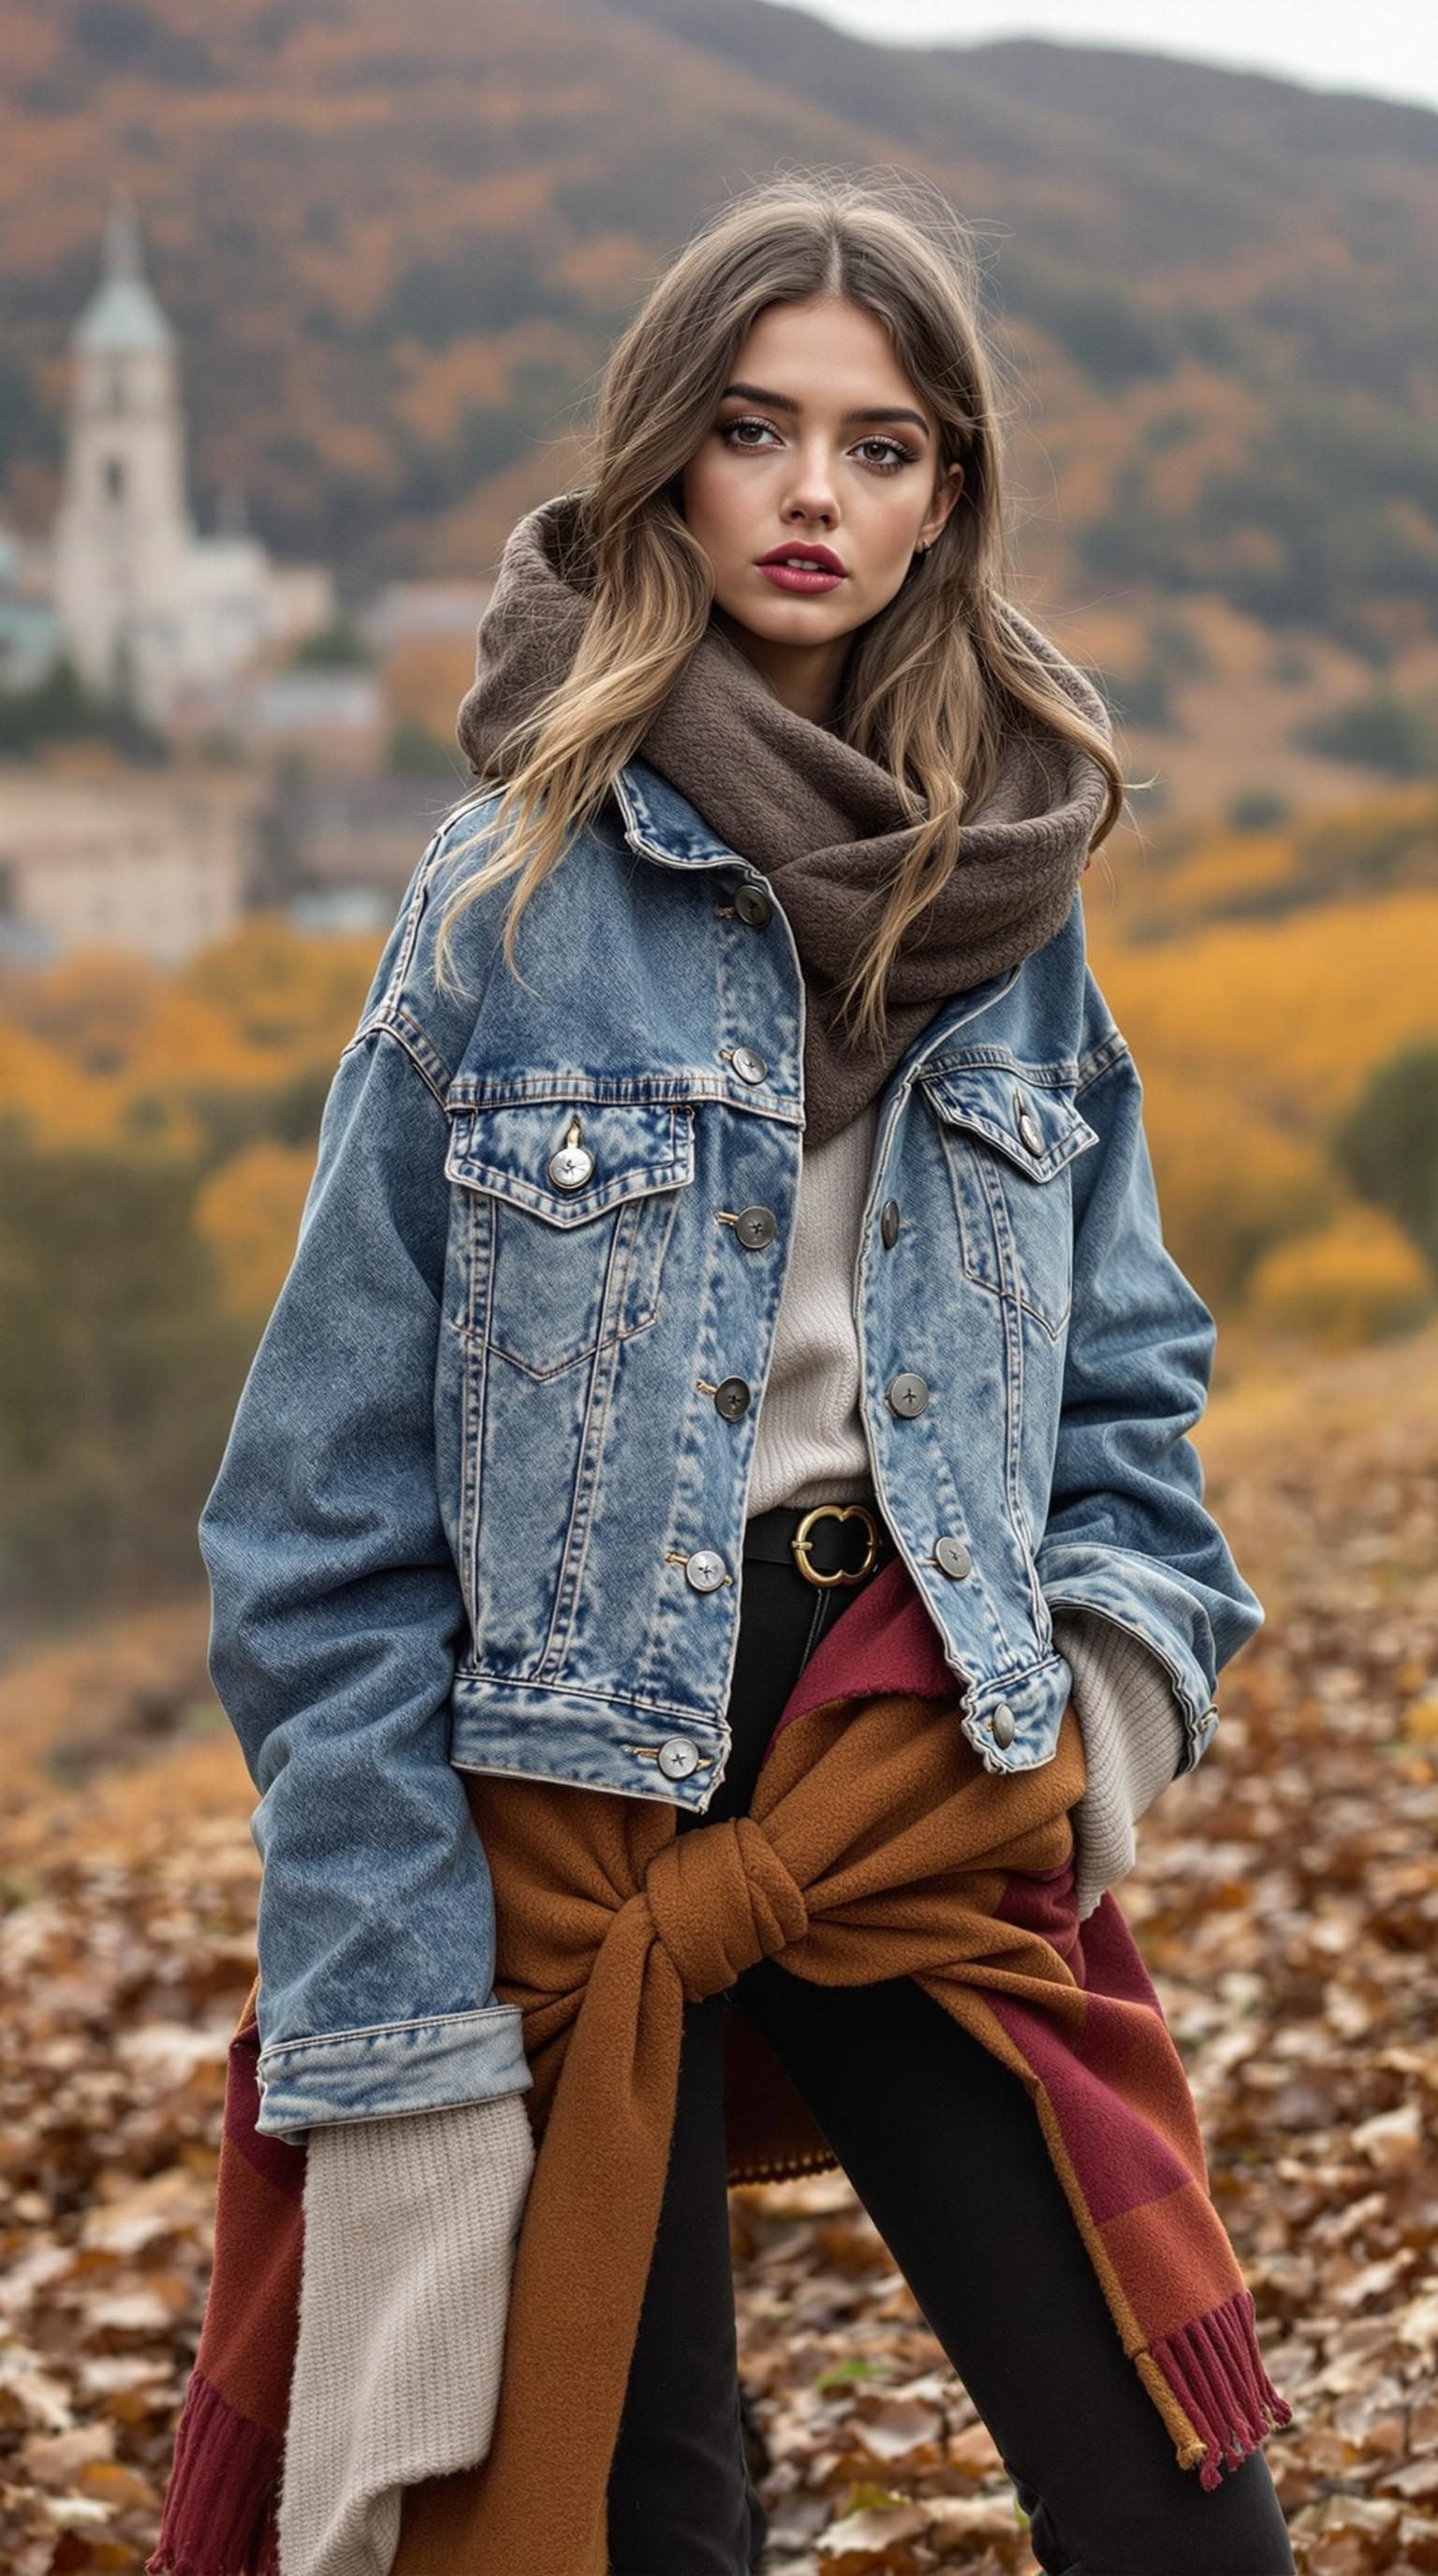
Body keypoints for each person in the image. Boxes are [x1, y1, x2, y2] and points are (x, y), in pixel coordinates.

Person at [195, 172, 1295, 2576]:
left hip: (911, 1755)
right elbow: (315, 1511)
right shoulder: (507, 888)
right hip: (563, 1795)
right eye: (760, 430)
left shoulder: (1013, 890)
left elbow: (1129, 1384)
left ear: (947, 497)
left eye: (884, 445)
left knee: (1187, 2505)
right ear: (667, 466)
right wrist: (390, 2014)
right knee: (636, 2513)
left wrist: (1094, 1720)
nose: (818, 495)